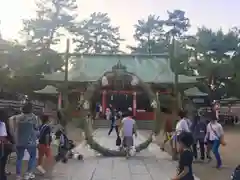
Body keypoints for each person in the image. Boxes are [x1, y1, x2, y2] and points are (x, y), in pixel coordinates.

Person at [10, 102, 39, 180]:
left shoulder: (17, 118)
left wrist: (15, 141)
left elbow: (15, 130)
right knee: (32, 156)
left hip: (20, 141)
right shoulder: (34, 117)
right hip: (30, 141)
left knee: (19, 158)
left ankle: (18, 175)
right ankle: (28, 173)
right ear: (31, 109)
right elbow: (36, 128)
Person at [0, 109, 14, 180]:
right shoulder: (3, 124)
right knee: (2, 164)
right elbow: (3, 138)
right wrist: (10, 143)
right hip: (2, 147)